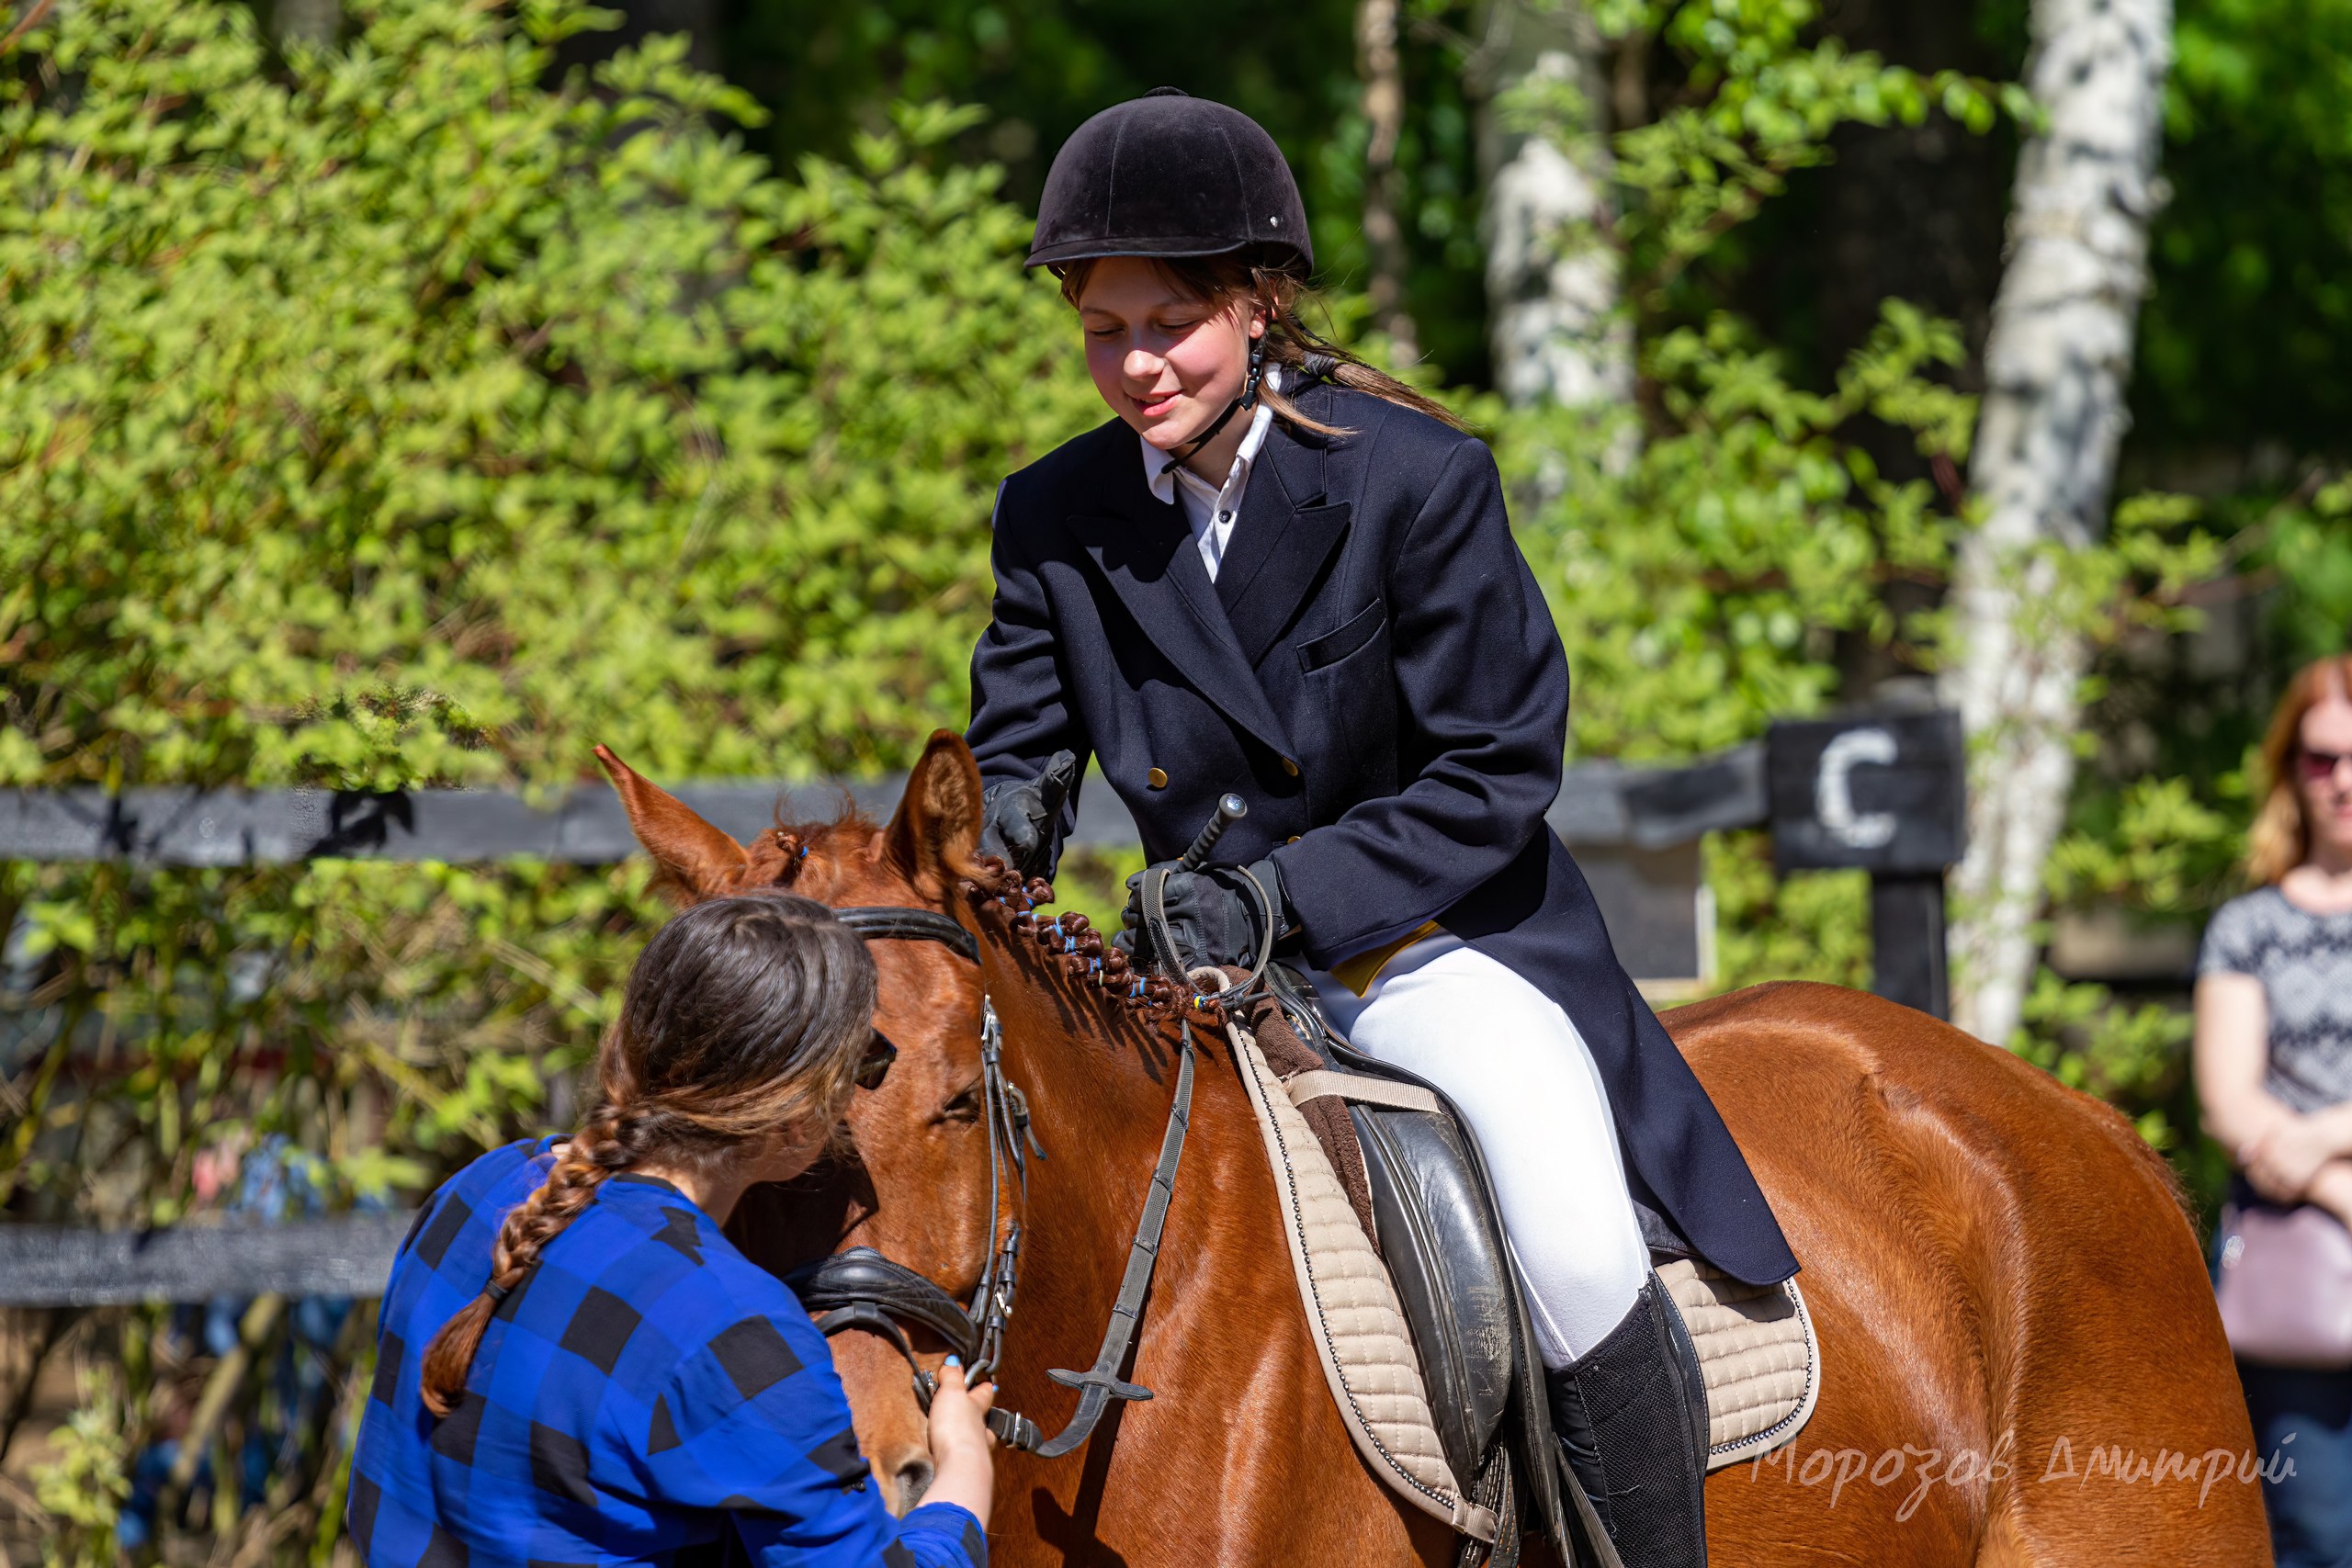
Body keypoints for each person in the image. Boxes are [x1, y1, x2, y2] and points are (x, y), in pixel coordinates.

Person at [966, 87, 1796, 1567]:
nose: (1138, 363)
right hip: (1200, 978)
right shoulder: (1052, 511)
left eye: (1172, 321)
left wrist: (1287, 894)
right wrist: (1002, 822)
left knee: (1574, 1248)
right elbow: (1013, 751)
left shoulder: (1413, 480)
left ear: (1258, 298)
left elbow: (1495, 768)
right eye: (1104, 327)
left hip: (1436, 942)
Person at [349, 896, 995, 1568]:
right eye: (864, 1064)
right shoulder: (732, 1330)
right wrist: (961, 1482)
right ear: (800, 1113)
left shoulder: (480, 1186)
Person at [2196, 653, 2352, 1568]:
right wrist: (2341, 1197)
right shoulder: (2245, 928)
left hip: (2305, 1181)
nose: (2341, 783)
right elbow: (2229, 1105)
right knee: (2316, 1536)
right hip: (2298, 1282)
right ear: (2289, 769)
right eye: (2320, 759)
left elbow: (2277, 1128)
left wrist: (2316, 1141)